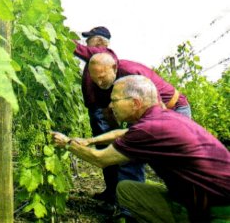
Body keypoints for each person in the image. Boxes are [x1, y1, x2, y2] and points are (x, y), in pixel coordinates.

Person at [51, 75, 230, 222]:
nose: (110, 106)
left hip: (216, 209)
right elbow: (123, 133)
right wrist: (90, 140)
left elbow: (100, 159)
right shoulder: (162, 118)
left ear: (135, 103)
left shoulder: (147, 129)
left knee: (128, 192)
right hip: (209, 196)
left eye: (114, 100)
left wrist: (67, 143)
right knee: (127, 188)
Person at [73, 27, 142, 205]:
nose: (86, 43)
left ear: (98, 41)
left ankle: (118, 196)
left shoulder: (102, 52)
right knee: (107, 149)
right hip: (100, 110)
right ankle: (112, 192)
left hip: (103, 111)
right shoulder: (99, 57)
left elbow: (80, 50)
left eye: (88, 39)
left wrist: (60, 37)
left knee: (109, 151)